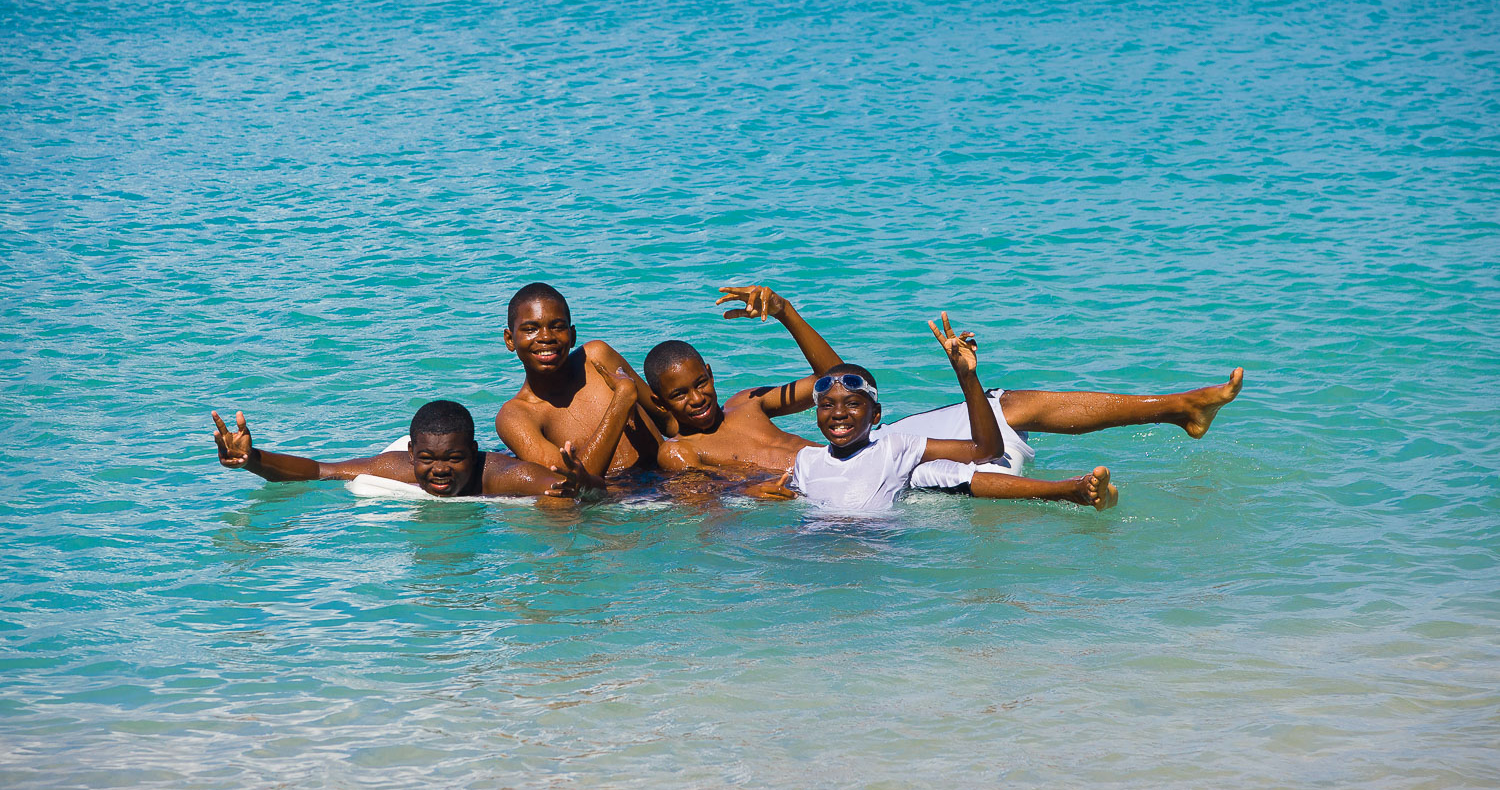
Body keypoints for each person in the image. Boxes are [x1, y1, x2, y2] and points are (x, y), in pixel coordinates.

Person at [641, 285, 1126, 507]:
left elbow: (835, 384)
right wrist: (751, 491)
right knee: (952, 473)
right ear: (661, 403)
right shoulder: (678, 451)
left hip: (859, 447)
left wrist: (787, 312)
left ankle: (1177, 407)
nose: (696, 398)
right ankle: (1070, 491)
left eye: (700, 384)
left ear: (711, 373)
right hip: (828, 480)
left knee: (1009, 405)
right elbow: (703, 498)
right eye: (679, 395)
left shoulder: (747, 402)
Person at [747, 315, 1111, 511]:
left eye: (852, 404)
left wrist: (966, 377)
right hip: (817, 553)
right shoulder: (805, 462)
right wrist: (758, 494)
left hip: (873, 555)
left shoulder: (894, 446)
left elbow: (984, 451)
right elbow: (780, 496)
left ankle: (1068, 490)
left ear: (875, 415)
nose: (838, 413)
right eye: (827, 405)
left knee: (948, 474)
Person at [211, 399, 596, 502]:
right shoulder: (396, 468)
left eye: (454, 458)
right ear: (411, 454)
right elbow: (318, 471)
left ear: (474, 453)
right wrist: (253, 459)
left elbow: (564, 490)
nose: (440, 470)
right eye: (428, 459)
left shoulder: (506, 475)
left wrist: (583, 486)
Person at [495, 282, 661, 477]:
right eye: (531, 329)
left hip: (669, 480)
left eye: (558, 327)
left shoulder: (597, 358)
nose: (547, 337)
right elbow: (573, 482)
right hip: (615, 500)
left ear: (572, 335)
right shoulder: (515, 416)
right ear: (509, 339)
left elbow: (668, 418)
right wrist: (621, 402)